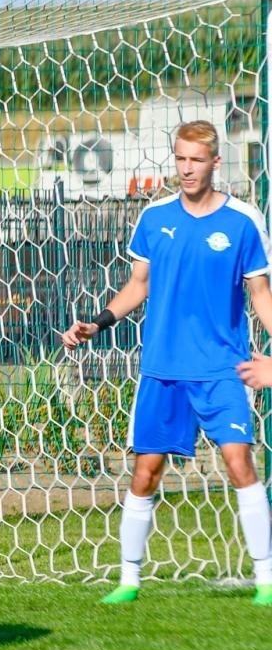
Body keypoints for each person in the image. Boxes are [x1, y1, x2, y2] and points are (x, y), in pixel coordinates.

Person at [63, 120, 272, 607]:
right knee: (146, 472)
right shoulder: (154, 219)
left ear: (215, 163)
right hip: (162, 367)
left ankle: (265, 578)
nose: (186, 169)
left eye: (196, 160)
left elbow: (260, 296)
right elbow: (140, 284)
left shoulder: (243, 221)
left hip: (223, 367)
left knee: (239, 461)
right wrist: (99, 322)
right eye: (180, 159)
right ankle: (129, 580)